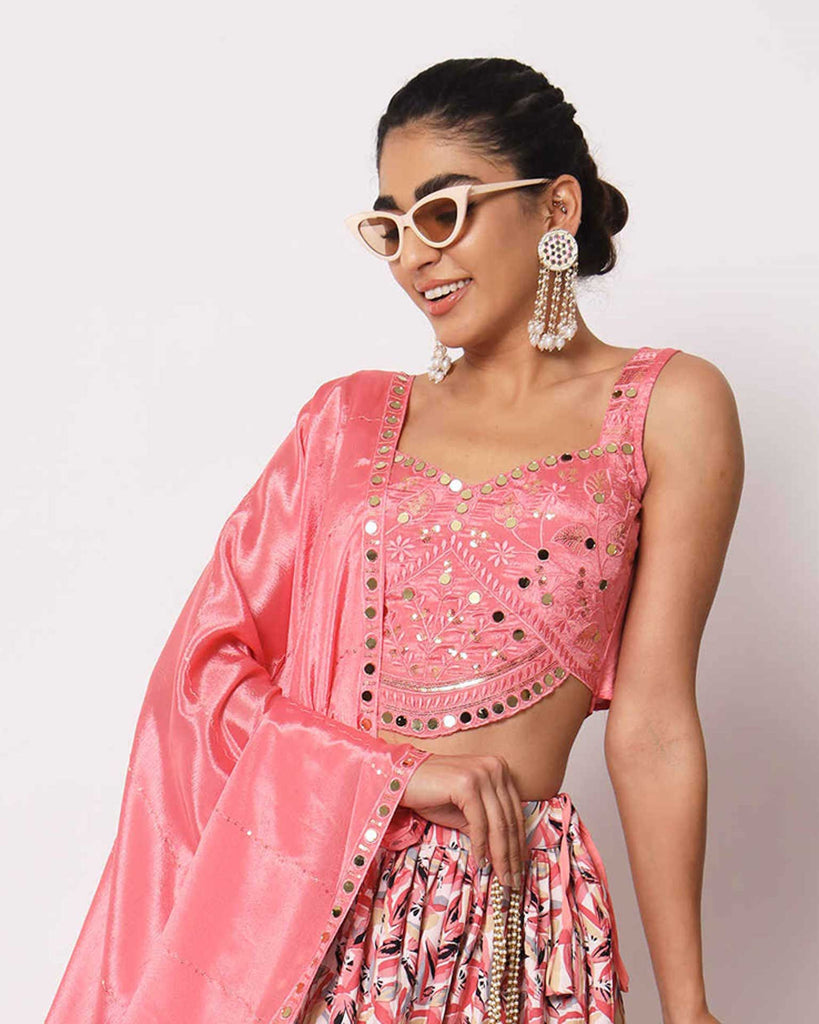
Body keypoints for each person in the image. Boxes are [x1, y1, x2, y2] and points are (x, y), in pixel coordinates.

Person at [45, 58, 742, 1024]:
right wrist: (397, 775)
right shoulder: (345, 421)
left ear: (556, 206)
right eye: (392, 227)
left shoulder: (668, 406)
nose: (415, 256)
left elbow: (654, 724)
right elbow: (201, 674)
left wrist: (689, 1005)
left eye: (443, 213)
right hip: (310, 917)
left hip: (509, 920)